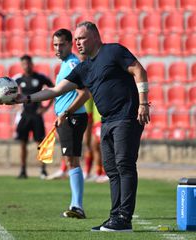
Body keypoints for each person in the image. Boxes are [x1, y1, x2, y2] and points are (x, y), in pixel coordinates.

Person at [13, 21, 150, 232]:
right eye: (75, 39)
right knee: (112, 171)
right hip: (106, 121)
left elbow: (139, 71)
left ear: (95, 37)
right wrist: (25, 98)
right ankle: (115, 217)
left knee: (124, 165)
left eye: (81, 38)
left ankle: (124, 218)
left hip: (126, 117)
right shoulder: (84, 67)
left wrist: (142, 103)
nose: (77, 43)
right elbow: (55, 90)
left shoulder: (113, 51)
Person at [49, 29, 89, 218]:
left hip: (72, 118)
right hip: (67, 118)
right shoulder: (66, 64)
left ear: (70, 44)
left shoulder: (73, 64)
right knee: (71, 160)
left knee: (72, 161)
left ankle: (77, 206)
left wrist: (66, 113)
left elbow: (85, 93)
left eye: (61, 44)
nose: (58, 48)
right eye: (55, 44)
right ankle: (75, 204)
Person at [14, 54, 54, 179]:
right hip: (25, 115)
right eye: (24, 64)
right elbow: (11, 94)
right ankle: (23, 170)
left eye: (28, 63)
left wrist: (46, 108)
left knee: (40, 143)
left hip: (37, 115)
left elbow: (54, 90)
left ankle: (43, 170)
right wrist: (17, 106)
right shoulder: (19, 80)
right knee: (22, 143)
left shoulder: (40, 78)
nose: (26, 66)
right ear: (21, 65)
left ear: (32, 64)